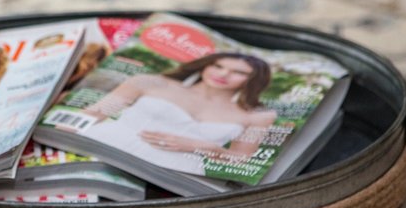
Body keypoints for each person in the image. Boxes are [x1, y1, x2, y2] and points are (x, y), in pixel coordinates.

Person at [80, 52, 277, 176]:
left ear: (254, 80)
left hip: (176, 172)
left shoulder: (258, 116)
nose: (223, 74)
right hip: (106, 145)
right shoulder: (150, 82)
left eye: (239, 72)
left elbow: (241, 159)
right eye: (218, 66)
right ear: (205, 66)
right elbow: (96, 113)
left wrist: (203, 147)